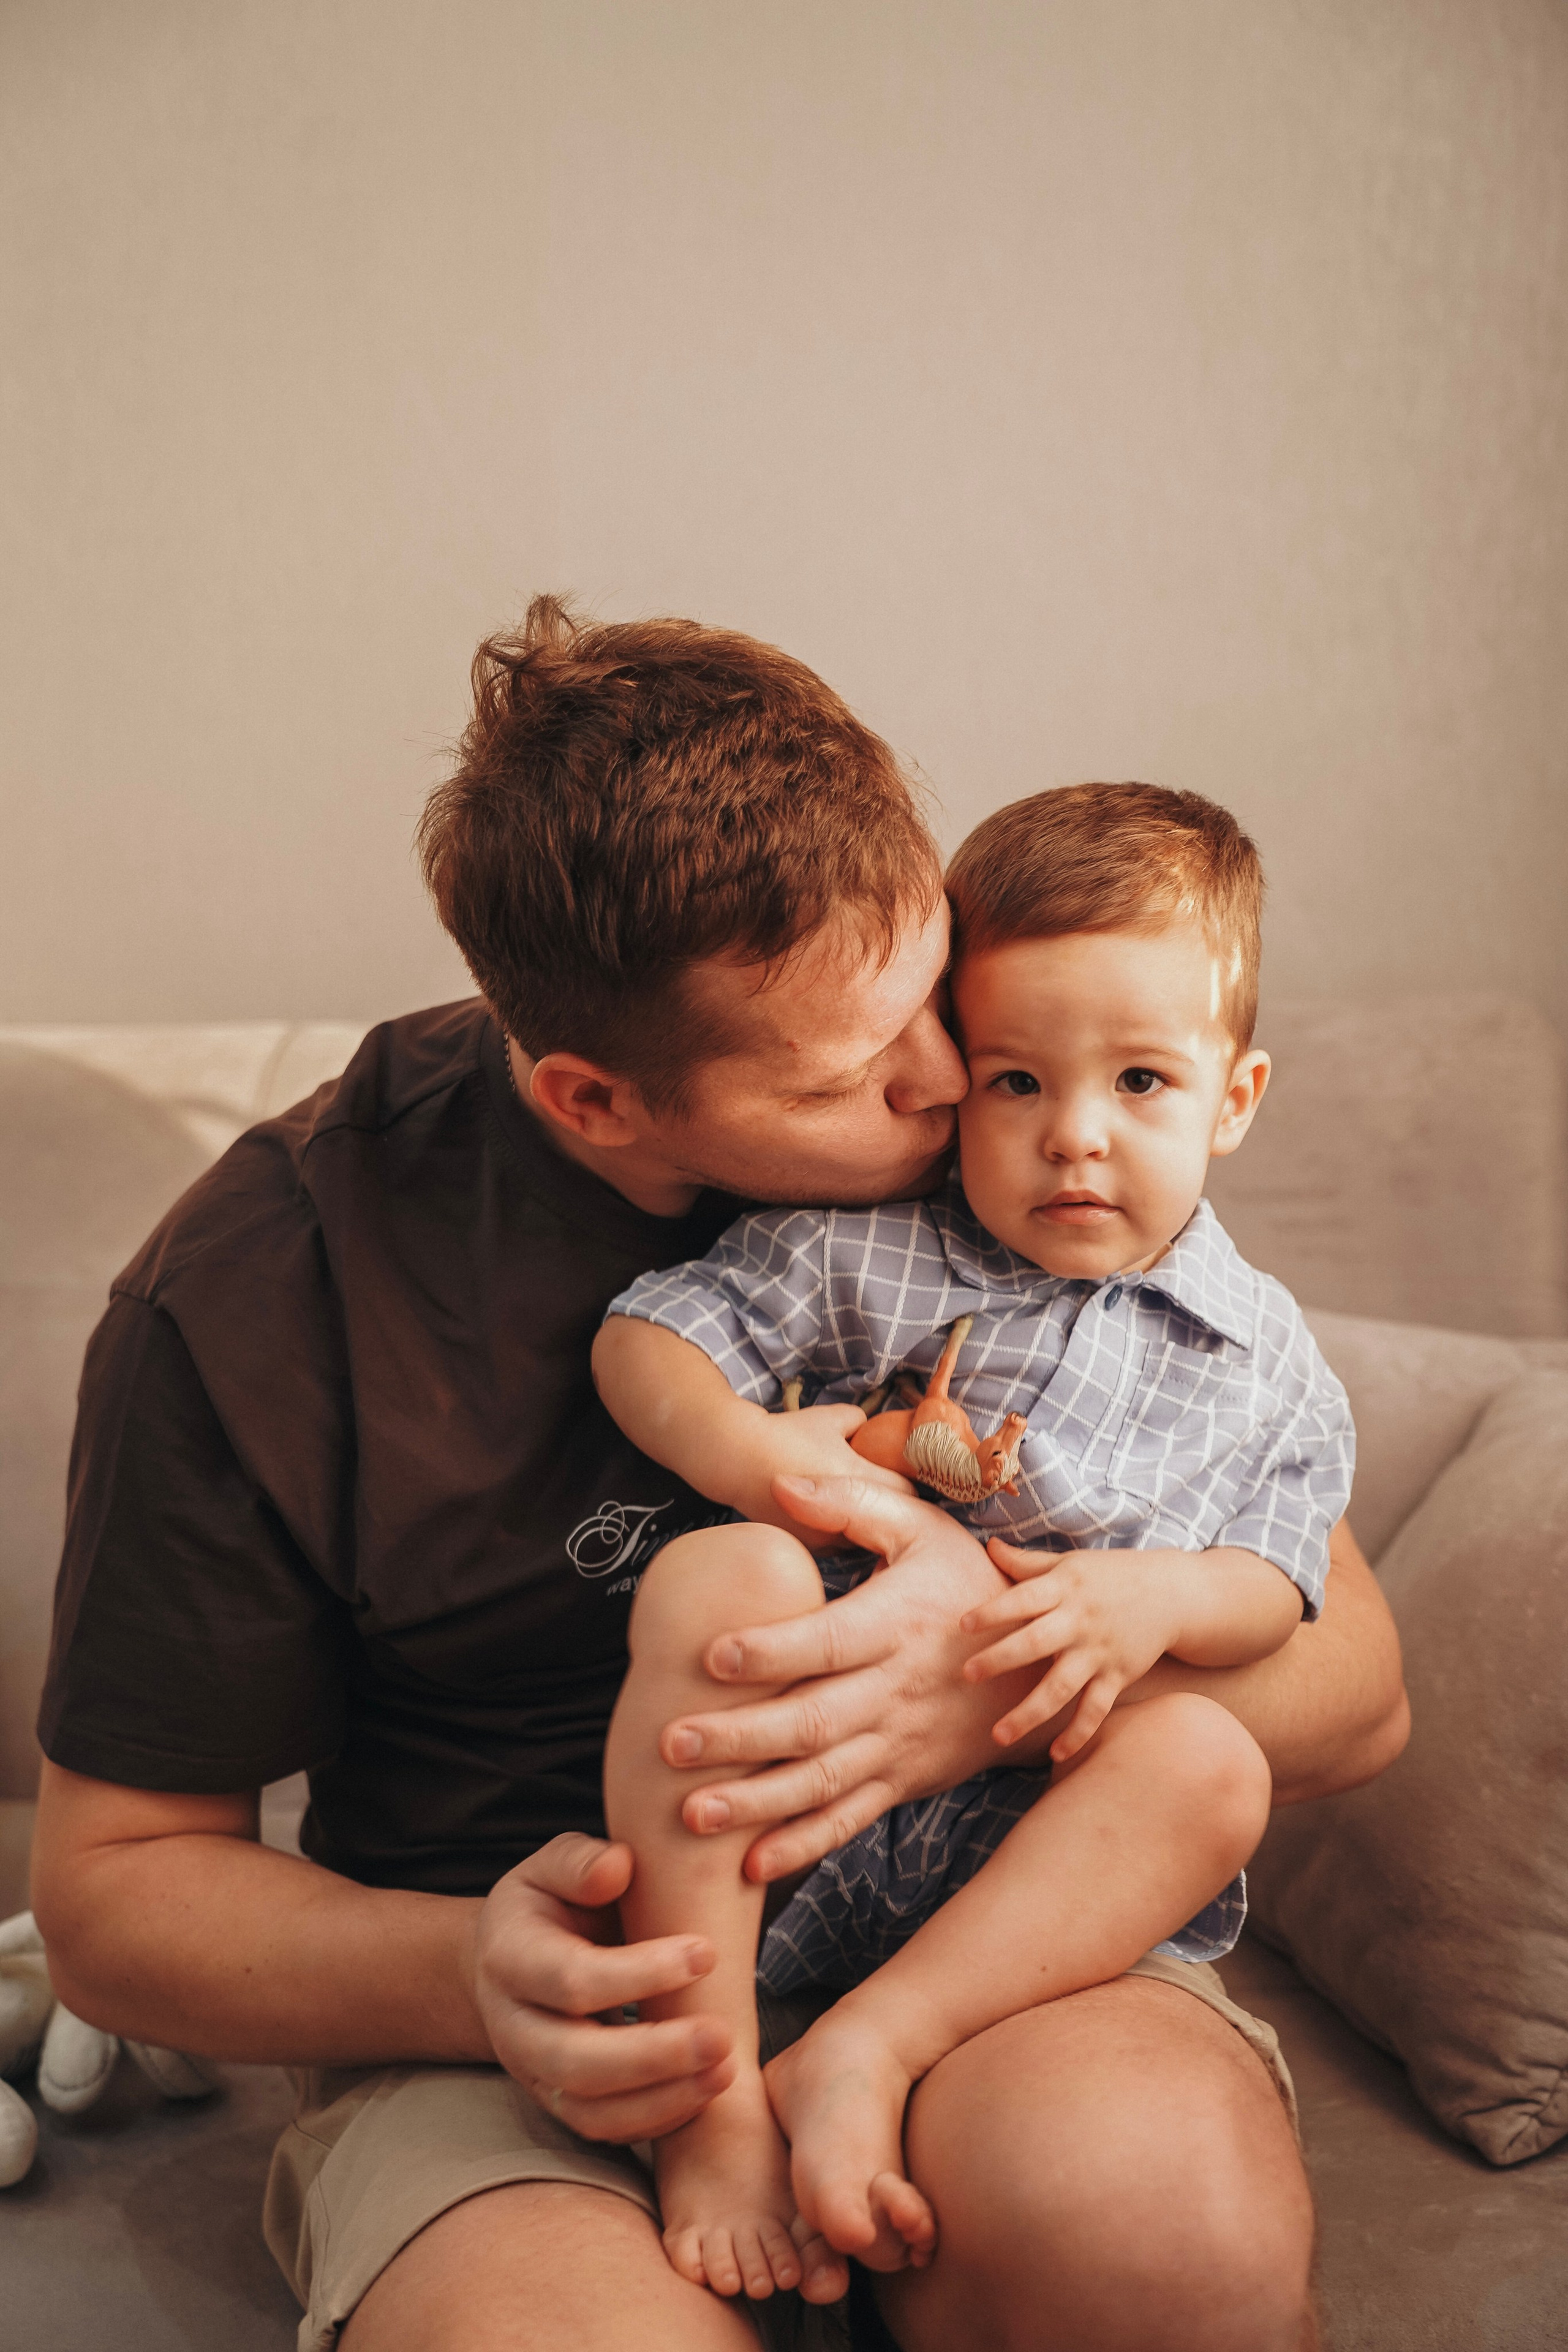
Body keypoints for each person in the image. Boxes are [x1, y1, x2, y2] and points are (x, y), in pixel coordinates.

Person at [29, 598, 1408, 2352]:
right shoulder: (257, 1292)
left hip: (990, 1918)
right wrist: (475, 1979)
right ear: (600, 1102)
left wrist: (975, 1700)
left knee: (1158, 2249)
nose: (949, 1092)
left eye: (934, 997)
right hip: (544, 2008)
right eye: (859, 1076)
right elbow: (115, 1898)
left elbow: (1348, 1683)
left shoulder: (1018, 1096)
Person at [594, 782, 1354, 2292]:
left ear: (1236, 1097)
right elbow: (648, 1338)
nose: (1072, 1138)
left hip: (1025, 1859)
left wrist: (1156, 1598)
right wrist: (760, 1462)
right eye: (1015, 1083)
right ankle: (711, 2086)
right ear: (951, 1071)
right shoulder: (865, 1244)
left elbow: (1279, 1583)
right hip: (782, 1776)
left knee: (1210, 1760)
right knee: (713, 1574)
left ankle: (869, 2047)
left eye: (1138, 1082)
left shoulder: (1266, 1364)